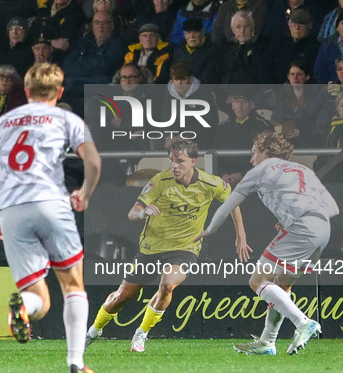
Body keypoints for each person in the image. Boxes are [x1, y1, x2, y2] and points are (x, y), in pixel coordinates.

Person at [0, 63, 101, 373]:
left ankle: (23, 309)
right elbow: (93, 160)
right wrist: (85, 192)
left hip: (12, 210)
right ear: (61, 92)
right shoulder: (67, 118)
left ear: (25, 92)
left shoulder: (4, 122)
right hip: (51, 203)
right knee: (72, 285)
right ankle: (75, 361)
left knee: (38, 296)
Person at [86, 139, 249, 353]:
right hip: (151, 248)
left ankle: (141, 334)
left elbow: (233, 202)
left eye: (179, 161)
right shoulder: (160, 180)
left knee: (168, 283)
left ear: (193, 161)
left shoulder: (212, 183)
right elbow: (132, 213)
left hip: (185, 249)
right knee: (122, 296)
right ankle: (94, 330)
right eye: (171, 160)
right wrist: (143, 212)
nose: (174, 165)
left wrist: (241, 236)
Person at [195, 131, 339, 355]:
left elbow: (228, 205)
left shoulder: (260, 170)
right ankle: (267, 342)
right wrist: (296, 217)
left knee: (258, 280)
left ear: (266, 151)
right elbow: (333, 208)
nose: (251, 159)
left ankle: (303, 323)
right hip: (323, 228)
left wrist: (210, 229)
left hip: (301, 228)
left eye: (254, 153)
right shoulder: (304, 169)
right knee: (281, 285)